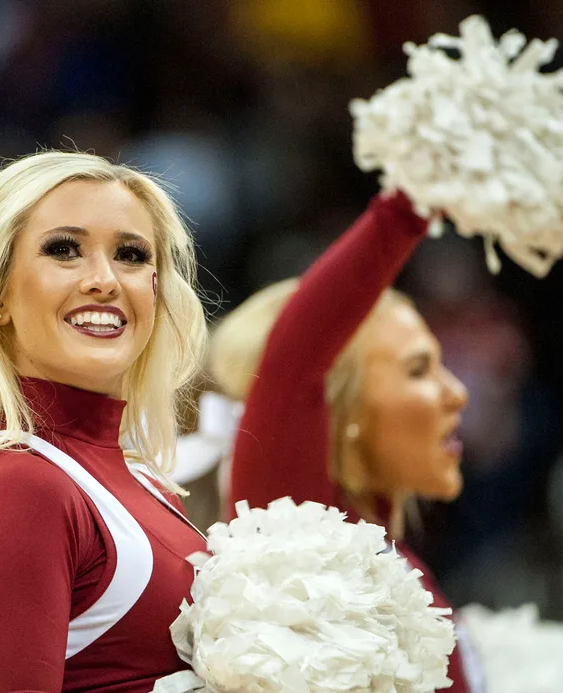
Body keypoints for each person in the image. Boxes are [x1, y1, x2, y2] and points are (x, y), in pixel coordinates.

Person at [0, 152, 209, 693]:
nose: (104, 280)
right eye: (64, 250)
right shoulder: (22, 486)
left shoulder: (147, 482)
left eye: (131, 255)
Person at [211, 191, 485, 693]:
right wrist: (410, 203)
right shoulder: (290, 529)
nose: (457, 393)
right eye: (419, 370)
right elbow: (296, 357)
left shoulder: (390, 557)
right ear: (340, 408)